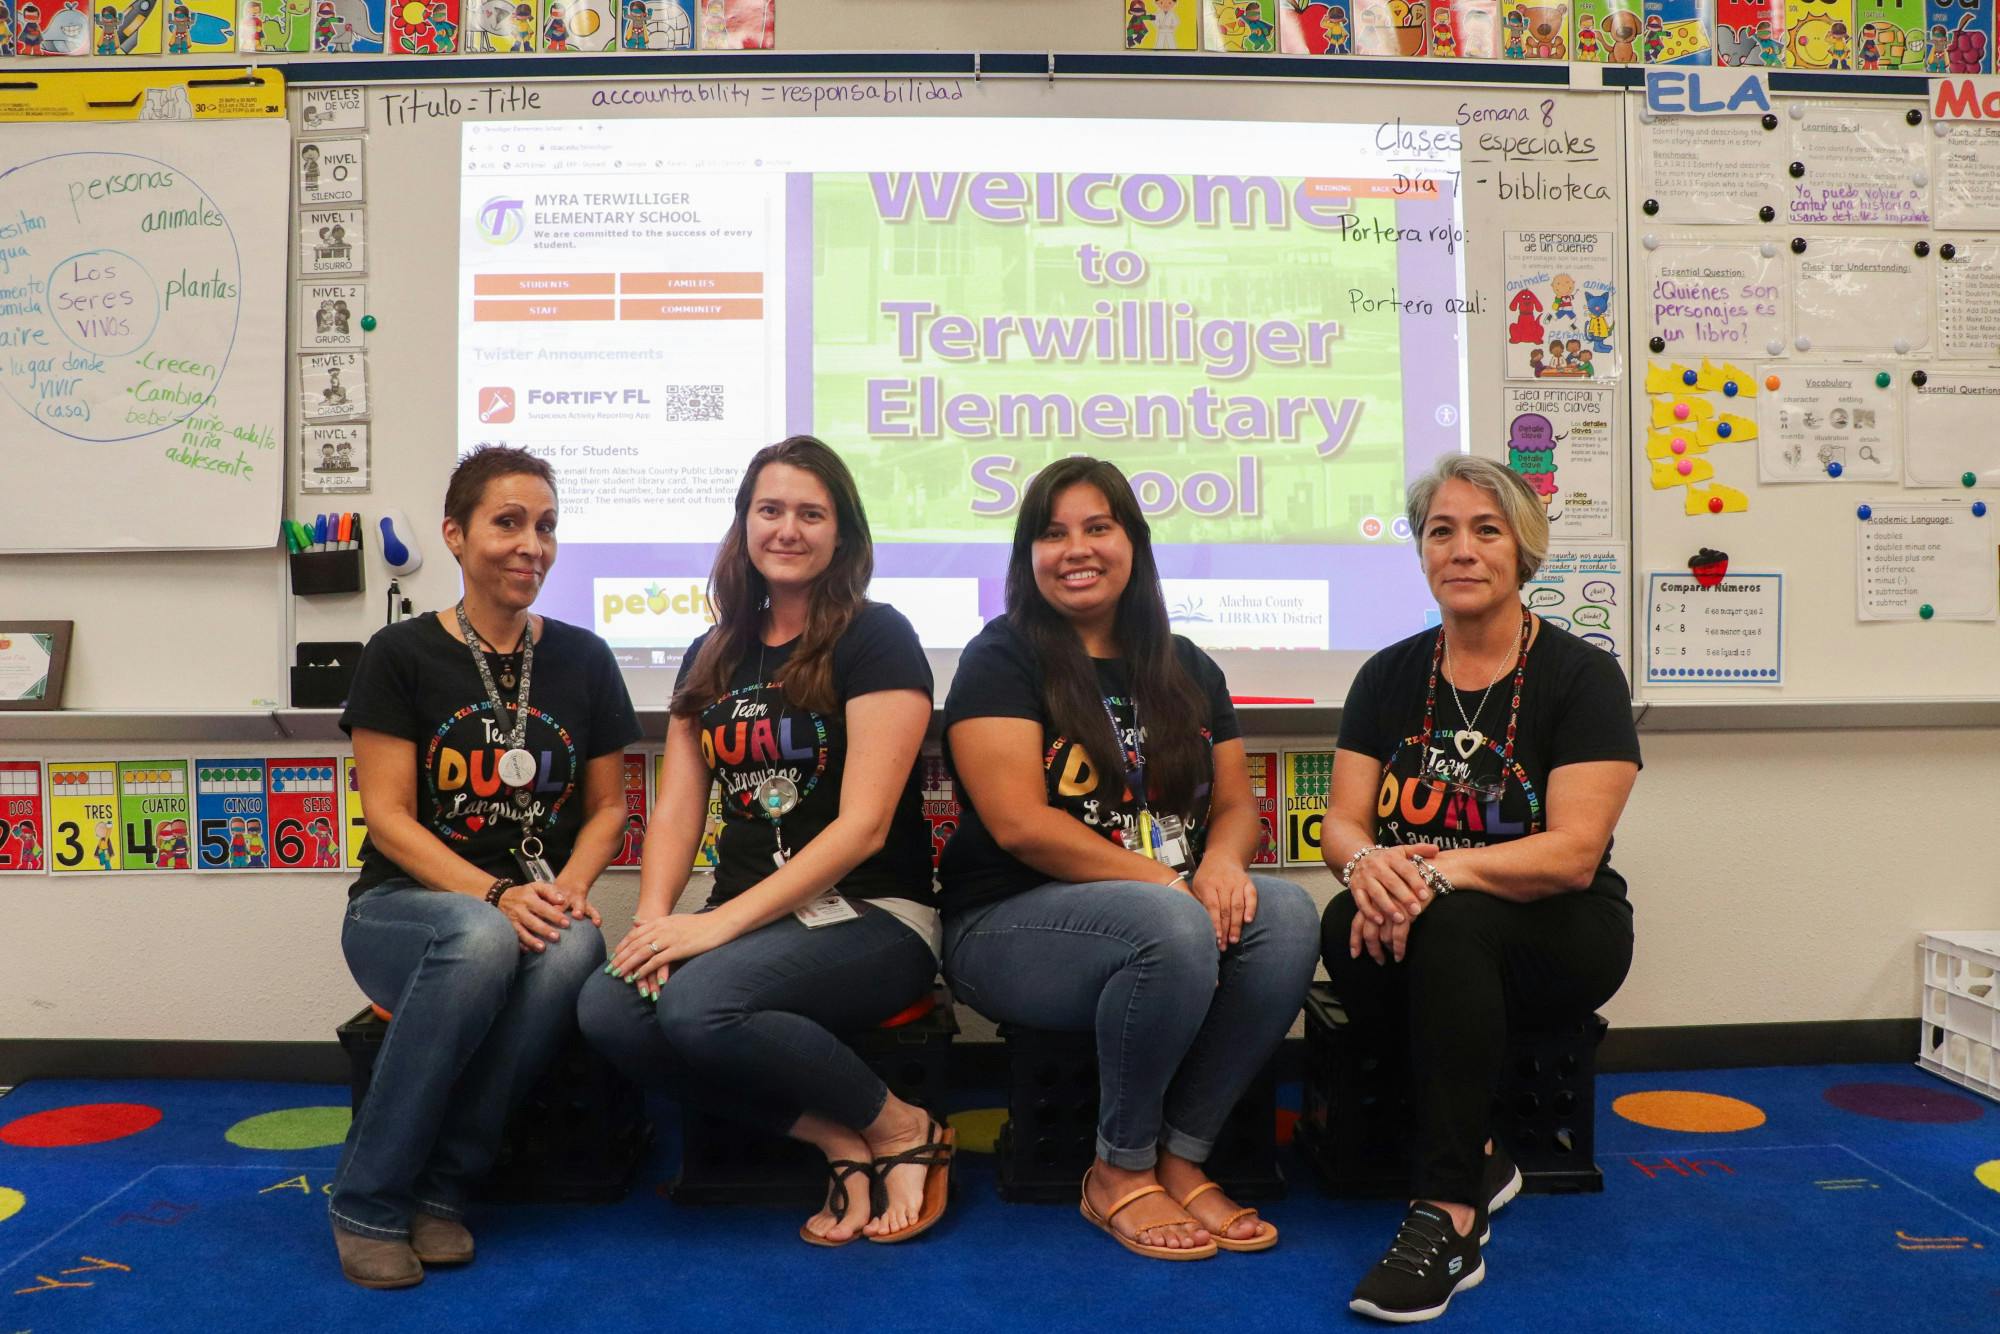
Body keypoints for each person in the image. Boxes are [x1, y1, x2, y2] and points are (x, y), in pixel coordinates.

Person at [939, 456, 1319, 1262]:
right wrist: (1174, 885)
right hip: (1006, 923)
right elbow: (1017, 824)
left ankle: (1183, 1155)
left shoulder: (1187, 666)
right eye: (1052, 533)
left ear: (1133, 545)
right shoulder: (1001, 656)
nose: (1076, 549)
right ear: (1027, 555)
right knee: (1172, 922)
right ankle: (1117, 1170)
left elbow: (1236, 803)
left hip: (1161, 907)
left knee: (1285, 916)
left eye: (1097, 527)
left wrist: (1220, 864)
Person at [578, 436, 951, 1248]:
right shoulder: (711, 654)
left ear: (842, 535)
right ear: (743, 525)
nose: (788, 529)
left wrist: (713, 929)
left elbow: (865, 828)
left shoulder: (878, 638)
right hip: (749, 919)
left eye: (811, 514)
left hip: (873, 914)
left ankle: (900, 1127)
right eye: (770, 509)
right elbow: (676, 813)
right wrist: (652, 924)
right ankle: (832, 1133)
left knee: (703, 1005)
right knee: (610, 1005)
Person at [1320, 454, 1639, 1323]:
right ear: (1422, 553)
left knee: (1451, 925)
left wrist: (1428, 870)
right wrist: (1366, 868)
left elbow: (1573, 853)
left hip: (1564, 928)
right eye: (1441, 531)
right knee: (1349, 920)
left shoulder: (1581, 677)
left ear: (1522, 548)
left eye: (1486, 530)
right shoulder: (1388, 675)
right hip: (1427, 922)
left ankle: (1449, 1214)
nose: (1462, 549)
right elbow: (1342, 823)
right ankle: (1487, 1151)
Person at [329, 445, 640, 1289]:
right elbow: (388, 820)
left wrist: (569, 889)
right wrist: (498, 895)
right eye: (507, 523)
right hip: (404, 911)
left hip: (526, 905)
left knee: (573, 946)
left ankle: (442, 1191)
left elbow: (608, 807)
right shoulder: (399, 654)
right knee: (477, 937)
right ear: (456, 536)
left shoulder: (585, 657)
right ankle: (366, 1199)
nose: (530, 544)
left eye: (545, 526)